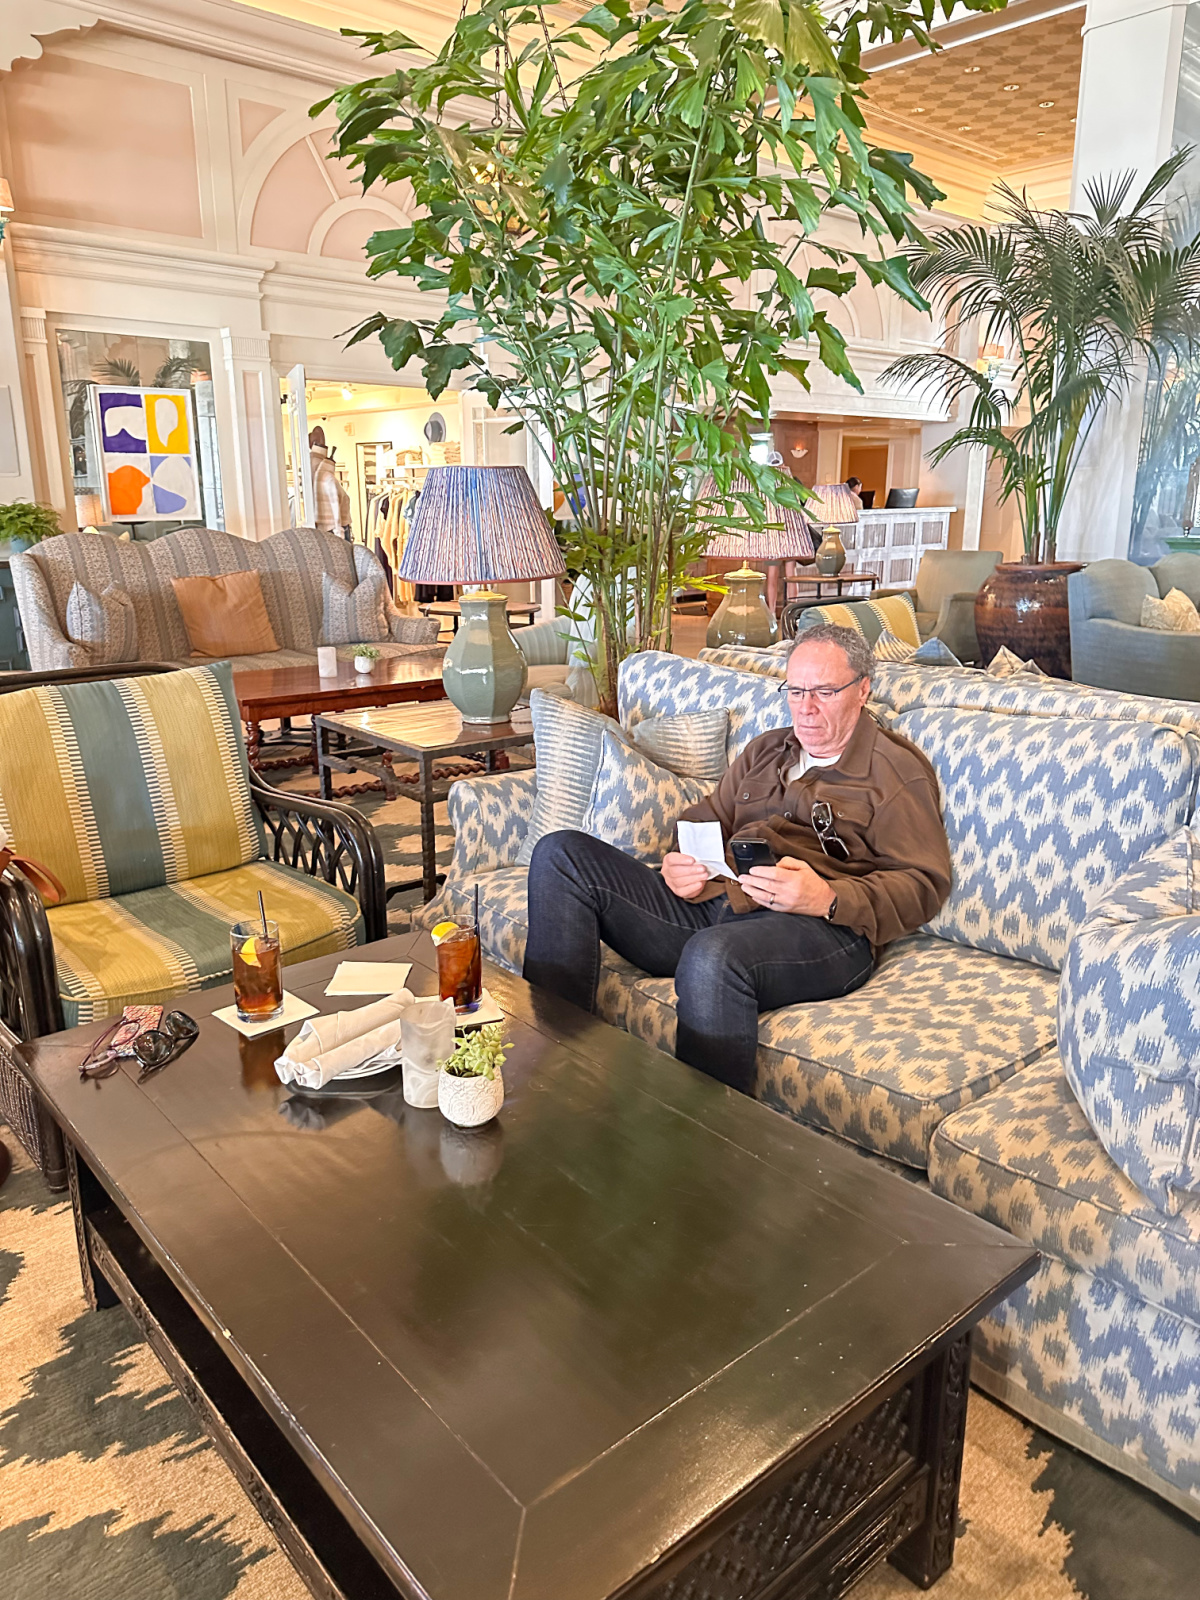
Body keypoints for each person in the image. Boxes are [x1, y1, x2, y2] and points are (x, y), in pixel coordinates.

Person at [523, 624, 951, 1094]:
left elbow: (923, 884)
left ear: (862, 690)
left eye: (824, 692)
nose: (805, 708)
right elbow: (703, 820)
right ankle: (555, 1077)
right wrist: (679, 862)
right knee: (561, 854)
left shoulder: (895, 772)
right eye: (796, 690)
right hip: (722, 904)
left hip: (823, 933)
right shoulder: (767, 750)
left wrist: (828, 897)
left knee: (712, 957)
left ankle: (706, 1150)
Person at [308, 425, 351, 536]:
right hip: (334, 530)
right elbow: (335, 512)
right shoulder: (327, 477)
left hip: (320, 529)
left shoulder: (310, 467)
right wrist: (340, 534)